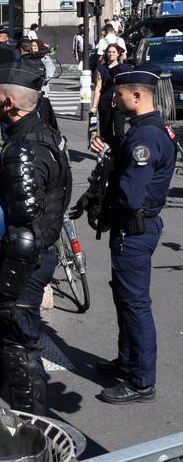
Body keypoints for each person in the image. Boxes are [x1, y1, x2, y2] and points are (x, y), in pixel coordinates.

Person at [0, 60, 71, 415]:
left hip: (21, 263)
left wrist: (8, 293)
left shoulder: (24, 148)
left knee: (17, 346)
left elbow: (26, 223)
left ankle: (33, 431)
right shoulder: (43, 134)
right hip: (22, 259)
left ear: (8, 104)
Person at [88, 65, 176, 404]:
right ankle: (127, 362)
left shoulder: (144, 137)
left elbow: (131, 195)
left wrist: (106, 212)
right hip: (139, 228)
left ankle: (141, 381)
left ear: (137, 96)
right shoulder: (150, 130)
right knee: (125, 299)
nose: (115, 100)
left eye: (120, 95)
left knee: (136, 304)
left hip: (134, 230)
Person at [91, 41, 129, 147]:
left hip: (119, 103)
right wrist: (94, 106)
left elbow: (127, 87)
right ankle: (107, 155)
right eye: (109, 52)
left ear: (118, 54)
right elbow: (98, 88)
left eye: (113, 52)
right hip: (105, 101)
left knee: (119, 130)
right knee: (105, 131)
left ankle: (119, 154)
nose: (111, 54)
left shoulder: (124, 69)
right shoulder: (101, 69)